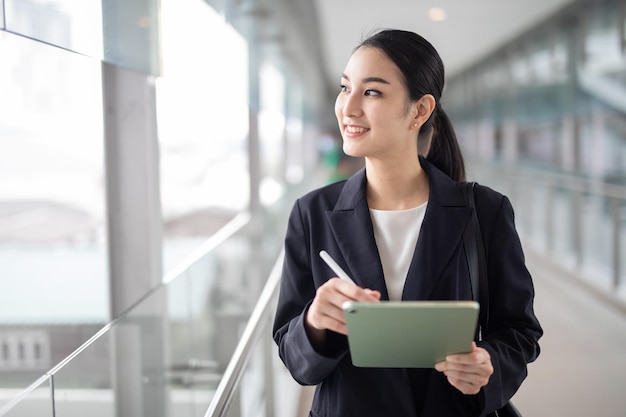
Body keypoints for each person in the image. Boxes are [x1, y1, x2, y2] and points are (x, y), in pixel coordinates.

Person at [272, 28, 542, 417]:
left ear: (419, 110)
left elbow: (519, 331)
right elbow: (295, 358)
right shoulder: (312, 214)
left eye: (372, 92)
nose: (348, 108)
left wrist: (489, 365)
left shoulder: (485, 211)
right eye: (345, 88)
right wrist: (314, 323)